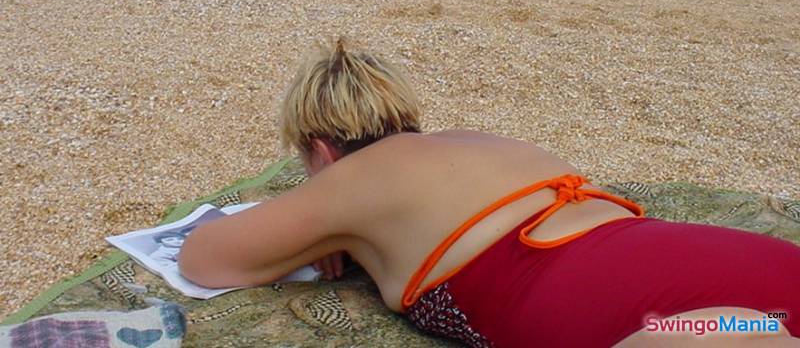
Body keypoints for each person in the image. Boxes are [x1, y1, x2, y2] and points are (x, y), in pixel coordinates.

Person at [178, 40, 800, 346]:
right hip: (738, 268)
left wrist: (309, 232)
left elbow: (203, 259)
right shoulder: (481, 142)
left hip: (690, 325)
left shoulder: (346, 180)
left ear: (319, 149)